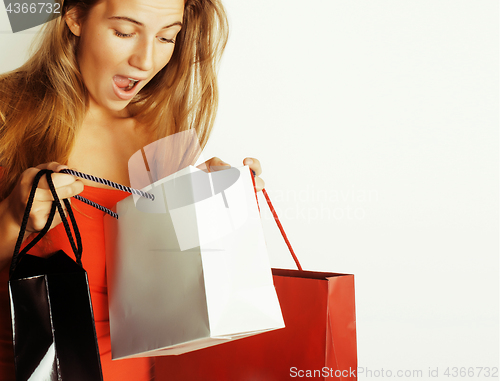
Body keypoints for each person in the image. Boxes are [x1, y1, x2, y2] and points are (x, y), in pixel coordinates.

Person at [0, 0, 265, 379]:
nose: (145, 60)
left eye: (166, 37)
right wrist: (15, 217)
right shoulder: (7, 113)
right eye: (124, 32)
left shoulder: (163, 130)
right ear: (75, 17)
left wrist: (219, 209)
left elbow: (176, 300)